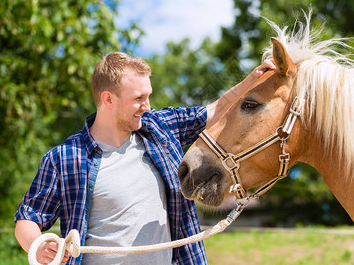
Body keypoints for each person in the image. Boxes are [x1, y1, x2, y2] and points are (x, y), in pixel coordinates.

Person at [14, 52, 275, 265]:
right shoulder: (64, 158)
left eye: (148, 96)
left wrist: (253, 79)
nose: (148, 106)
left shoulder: (160, 127)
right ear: (108, 99)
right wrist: (36, 246)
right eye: (139, 98)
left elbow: (216, 109)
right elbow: (28, 217)